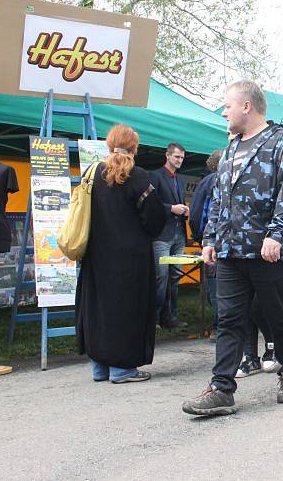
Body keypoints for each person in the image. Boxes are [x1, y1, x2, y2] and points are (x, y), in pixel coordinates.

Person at [182, 80, 283, 417]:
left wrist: (277, 235)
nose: (224, 112)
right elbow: (219, 199)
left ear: (247, 107)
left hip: (268, 250)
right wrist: (209, 240)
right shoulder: (231, 149)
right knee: (229, 320)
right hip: (230, 251)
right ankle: (222, 388)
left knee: (277, 316)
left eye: (227, 105)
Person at [76, 125, 167, 383]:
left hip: (96, 255)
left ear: (109, 145)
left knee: (98, 308)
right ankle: (122, 368)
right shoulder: (137, 176)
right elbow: (155, 217)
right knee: (127, 309)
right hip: (131, 257)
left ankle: (99, 367)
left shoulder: (92, 173)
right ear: (134, 148)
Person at [150, 142, 189, 329]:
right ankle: (154, 318)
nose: (180, 160)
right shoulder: (156, 176)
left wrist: (185, 210)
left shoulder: (179, 180)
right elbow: (151, 204)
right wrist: (171, 208)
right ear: (167, 156)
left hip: (179, 233)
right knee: (161, 277)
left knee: (175, 277)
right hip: (162, 234)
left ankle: (171, 317)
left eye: (182, 157)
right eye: (177, 157)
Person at [189, 149, 223, 338]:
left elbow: (195, 213)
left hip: (210, 240)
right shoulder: (220, 180)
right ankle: (224, 328)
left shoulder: (206, 182)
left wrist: (198, 237)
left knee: (215, 286)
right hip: (225, 240)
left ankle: (220, 328)